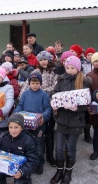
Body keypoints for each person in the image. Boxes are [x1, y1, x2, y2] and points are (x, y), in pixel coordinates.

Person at [50, 56, 91, 184]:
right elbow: (54, 94)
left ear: (78, 68)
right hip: (62, 120)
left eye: (72, 68)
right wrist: (54, 103)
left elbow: (86, 102)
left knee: (71, 149)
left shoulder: (83, 82)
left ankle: (68, 173)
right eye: (67, 67)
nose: (69, 70)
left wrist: (76, 108)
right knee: (59, 149)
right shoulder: (61, 80)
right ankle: (59, 171)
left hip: (75, 122)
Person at [19, 51, 56, 168]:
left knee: (48, 132)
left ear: (49, 60)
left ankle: (49, 156)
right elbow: (26, 84)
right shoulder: (36, 72)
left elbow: (55, 86)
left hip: (48, 102)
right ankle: (36, 158)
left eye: (45, 59)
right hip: (34, 104)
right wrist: (21, 96)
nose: (43, 62)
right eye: (41, 60)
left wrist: (44, 90)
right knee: (33, 138)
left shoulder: (53, 71)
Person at [14, 72, 52, 175]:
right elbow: (20, 105)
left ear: (40, 83)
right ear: (29, 83)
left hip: (39, 125)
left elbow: (48, 109)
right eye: (32, 83)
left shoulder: (44, 94)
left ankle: (39, 164)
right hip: (26, 125)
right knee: (26, 144)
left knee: (38, 145)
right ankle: (28, 162)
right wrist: (16, 113)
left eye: (37, 83)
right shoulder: (25, 94)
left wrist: (43, 117)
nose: (35, 85)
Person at [0, 113, 39, 184]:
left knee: (21, 181)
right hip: (4, 166)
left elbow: (33, 160)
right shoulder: (3, 136)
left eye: (16, 127)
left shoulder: (28, 140)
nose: (13, 130)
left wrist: (22, 171)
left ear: (22, 127)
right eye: (10, 127)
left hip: (20, 169)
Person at [86, 52, 98, 159]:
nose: (97, 63)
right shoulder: (89, 75)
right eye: (95, 61)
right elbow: (87, 92)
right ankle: (96, 150)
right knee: (96, 130)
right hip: (95, 106)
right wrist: (89, 105)